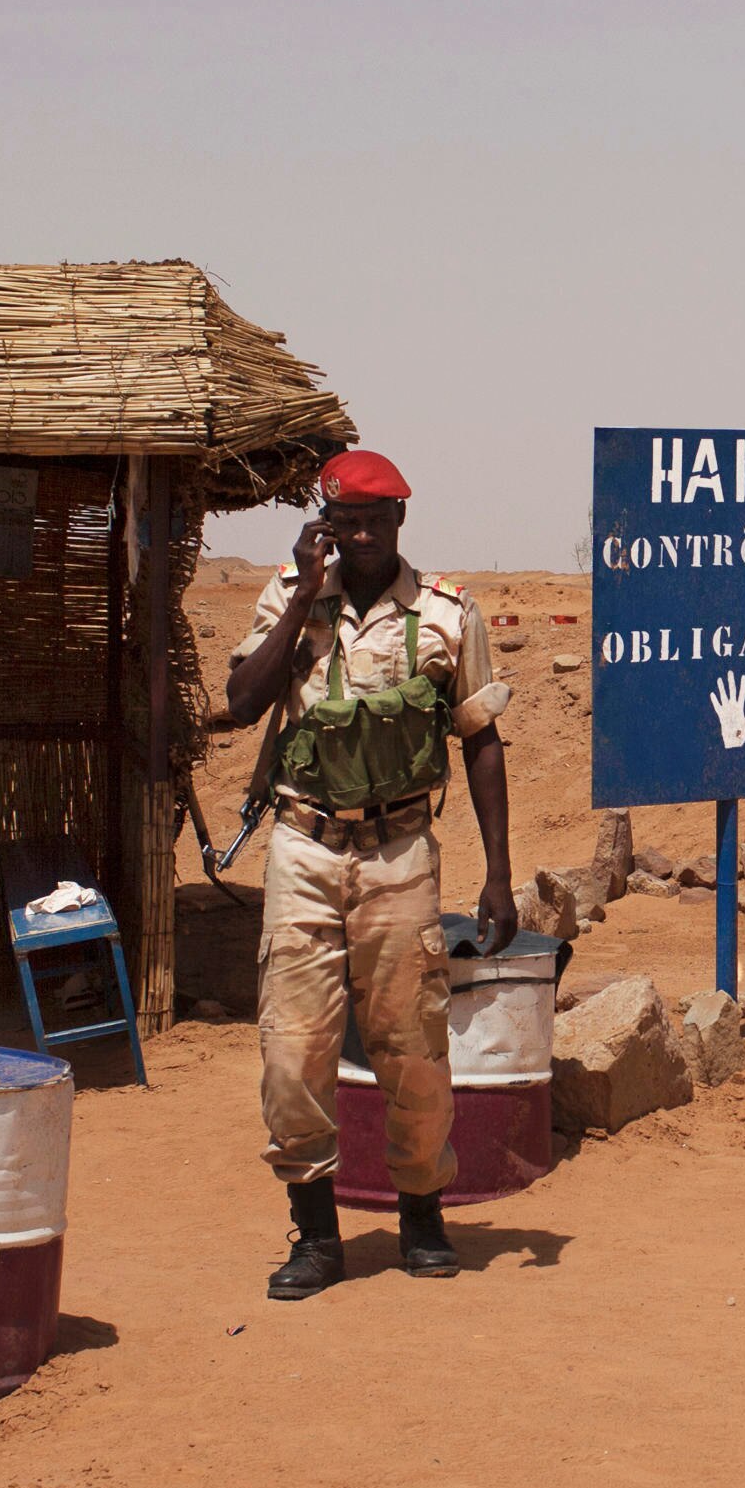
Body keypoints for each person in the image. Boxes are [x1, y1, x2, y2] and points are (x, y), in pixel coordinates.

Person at [224, 448, 516, 1299]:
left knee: (415, 1049)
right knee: (293, 1049)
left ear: (399, 523)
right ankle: (316, 1237)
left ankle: (422, 1216)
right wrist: (303, 595)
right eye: (344, 520)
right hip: (305, 849)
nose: (359, 534)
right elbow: (244, 701)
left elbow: (481, 738)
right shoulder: (291, 597)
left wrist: (498, 874)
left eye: (374, 521)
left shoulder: (447, 614)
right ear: (324, 522)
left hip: (400, 854)